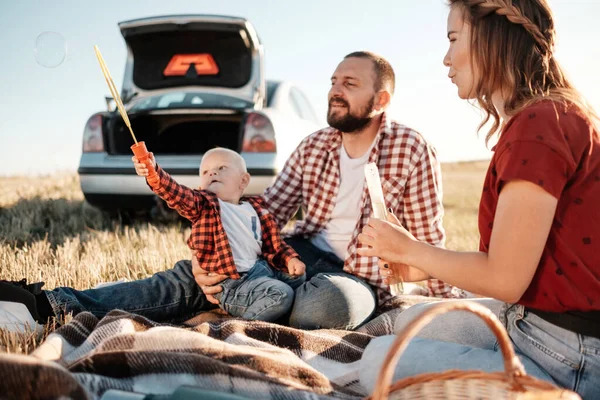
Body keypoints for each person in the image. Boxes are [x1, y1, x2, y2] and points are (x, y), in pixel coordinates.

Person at [357, 1, 600, 397]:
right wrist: (421, 265)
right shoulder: (552, 114)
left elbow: (504, 278)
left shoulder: (540, 125)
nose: (446, 58)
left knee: (377, 358)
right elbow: (522, 265)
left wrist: (411, 249)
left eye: (454, 39)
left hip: (567, 355)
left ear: (493, 37)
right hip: (539, 322)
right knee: (405, 323)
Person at [196, 51, 465, 331]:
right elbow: (269, 212)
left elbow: (428, 241)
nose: (335, 91)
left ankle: (257, 299)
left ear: (381, 100)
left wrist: (448, 306)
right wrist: (204, 260)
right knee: (195, 275)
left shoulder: (412, 147)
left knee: (326, 306)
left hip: (360, 277)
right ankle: (251, 296)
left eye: (349, 84)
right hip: (299, 254)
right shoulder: (313, 145)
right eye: (333, 82)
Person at [132, 147, 306, 322]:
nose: (212, 172)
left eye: (222, 168)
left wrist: (290, 259)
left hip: (260, 270)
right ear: (200, 187)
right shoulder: (205, 205)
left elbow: (274, 245)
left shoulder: (257, 210)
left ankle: (267, 308)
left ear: (243, 181)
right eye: (205, 172)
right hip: (232, 283)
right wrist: (154, 173)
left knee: (297, 276)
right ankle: (238, 326)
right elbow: (176, 193)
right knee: (280, 294)